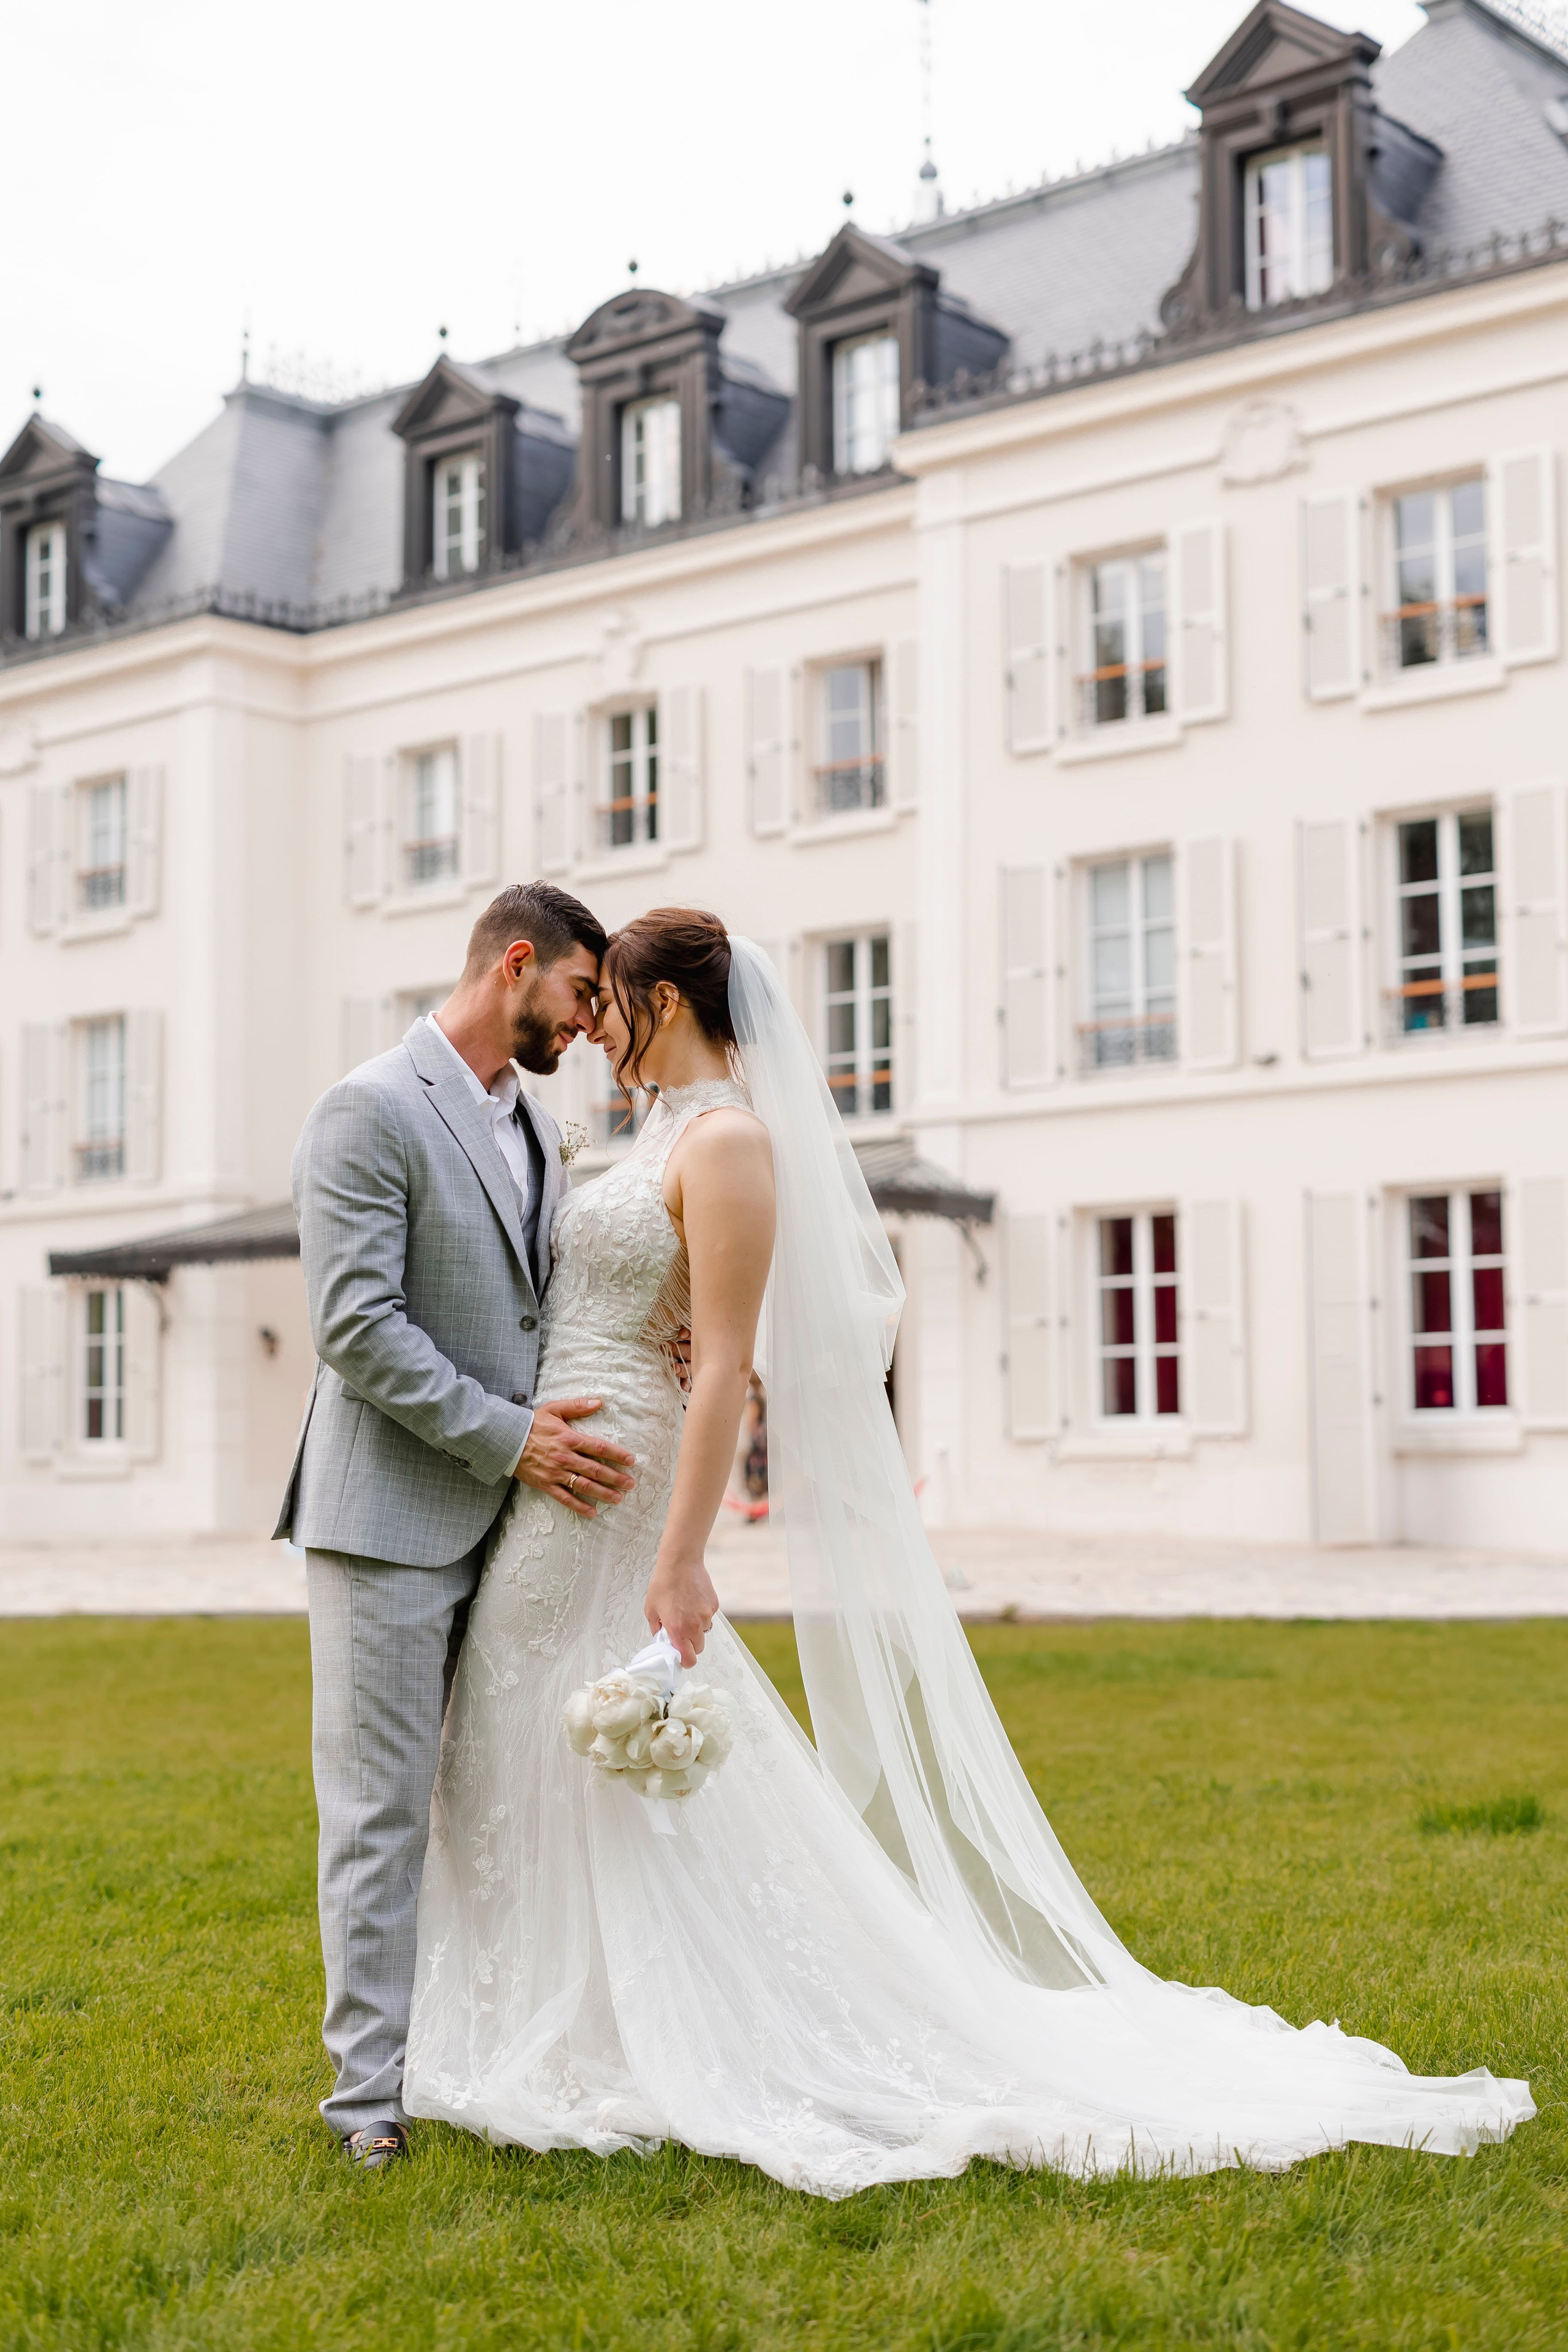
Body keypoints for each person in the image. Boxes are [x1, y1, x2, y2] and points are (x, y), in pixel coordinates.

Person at [404, 909, 1533, 2196]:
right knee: (505, 1718)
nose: (590, 1021)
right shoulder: (648, 1135)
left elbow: (724, 1367)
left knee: (531, 1708)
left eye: (609, 999)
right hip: (566, 1452)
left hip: (619, 1486)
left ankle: (584, 2023)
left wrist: (685, 1558)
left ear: (664, 1004)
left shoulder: (726, 1145)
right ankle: (538, 2004)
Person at [277, 880, 641, 2169]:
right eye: (582, 994)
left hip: (515, 1529)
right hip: (386, 1522)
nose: (590, 1022)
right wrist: (513, 1440)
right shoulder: (368, 1108)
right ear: (517, 966)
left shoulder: (535, 1126)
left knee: (499, 1798)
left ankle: (491, 2047)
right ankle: (365, 2102)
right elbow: (356, 1325)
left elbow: (544, 1303)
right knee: (380, 1813)